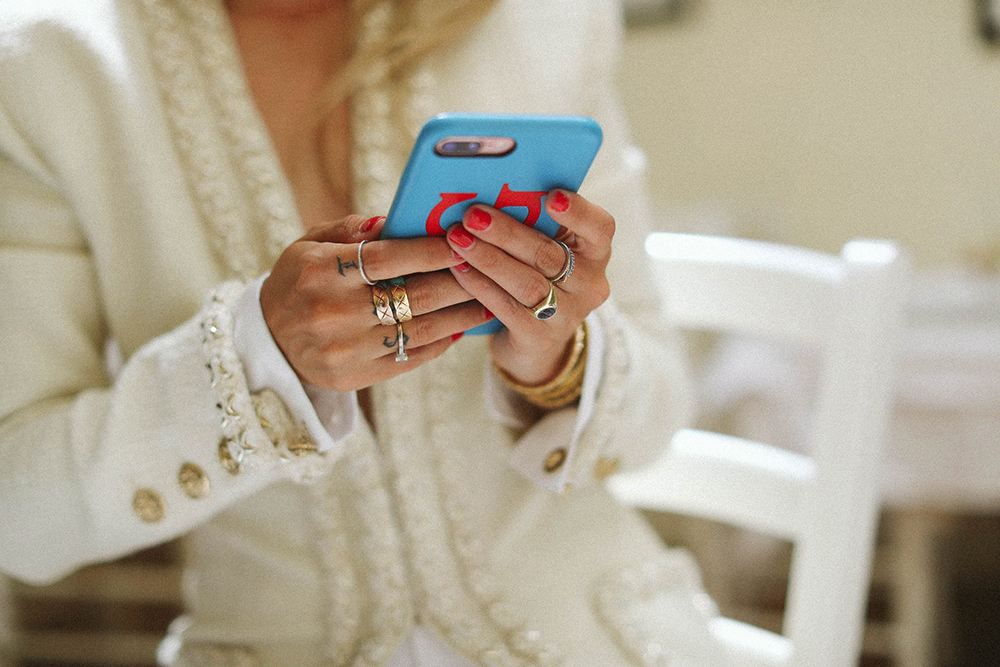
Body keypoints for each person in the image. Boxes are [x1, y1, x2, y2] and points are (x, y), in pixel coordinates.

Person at [0, 0, 731, 664]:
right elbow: (22, 519)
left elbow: (663, 404)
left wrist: (558, 358)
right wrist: (253, 360)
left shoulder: (541, 19)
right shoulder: (45, 68)